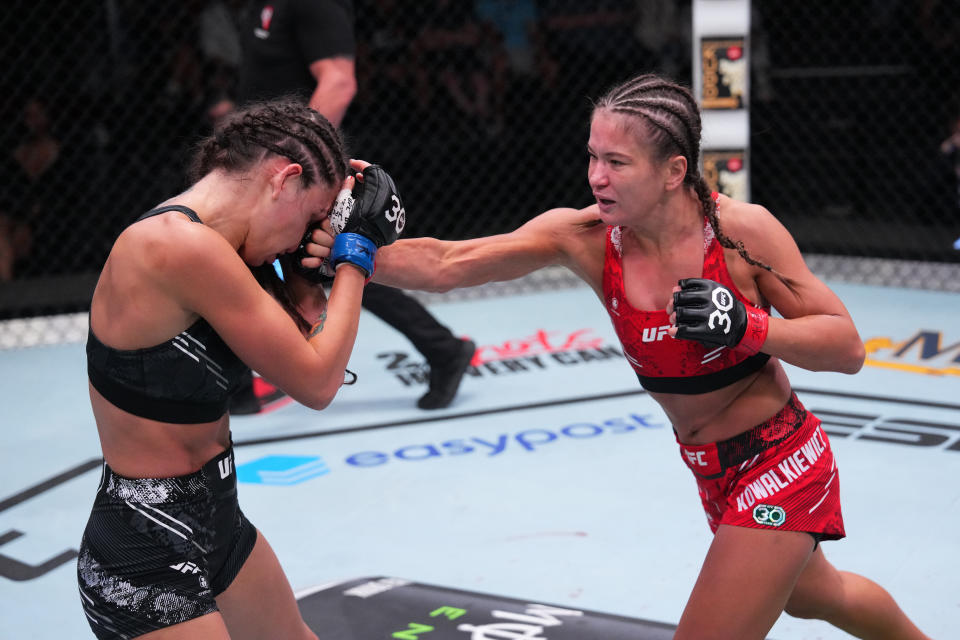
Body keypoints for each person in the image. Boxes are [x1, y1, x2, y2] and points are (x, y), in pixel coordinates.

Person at [306, 73, 932, 639]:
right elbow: (449, 263)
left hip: (782, 455)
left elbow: (845, 346)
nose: (596, 177)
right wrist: (351, 251)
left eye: (616, 161)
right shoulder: (583, 239)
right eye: (592, 157)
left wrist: (748, 324)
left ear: (673, 170)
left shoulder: (742, 235)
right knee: (820, 595)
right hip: (709, 466)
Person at [77, 98, 402, 639]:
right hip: (145, 551)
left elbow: (312, 336)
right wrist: (356, 253)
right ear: (285, 179)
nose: (304, 233)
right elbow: (318, 383)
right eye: (308, 216)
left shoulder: (221, 247)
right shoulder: (175, 244)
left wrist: (305, 271)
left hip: (218, 523)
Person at [234, 0, 475, 412]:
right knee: (249, 257)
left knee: (340, 260)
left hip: (295, 166)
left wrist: (301, 161)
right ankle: (235, 387)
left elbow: (339, 82)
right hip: (265, 159)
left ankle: (444, 349)